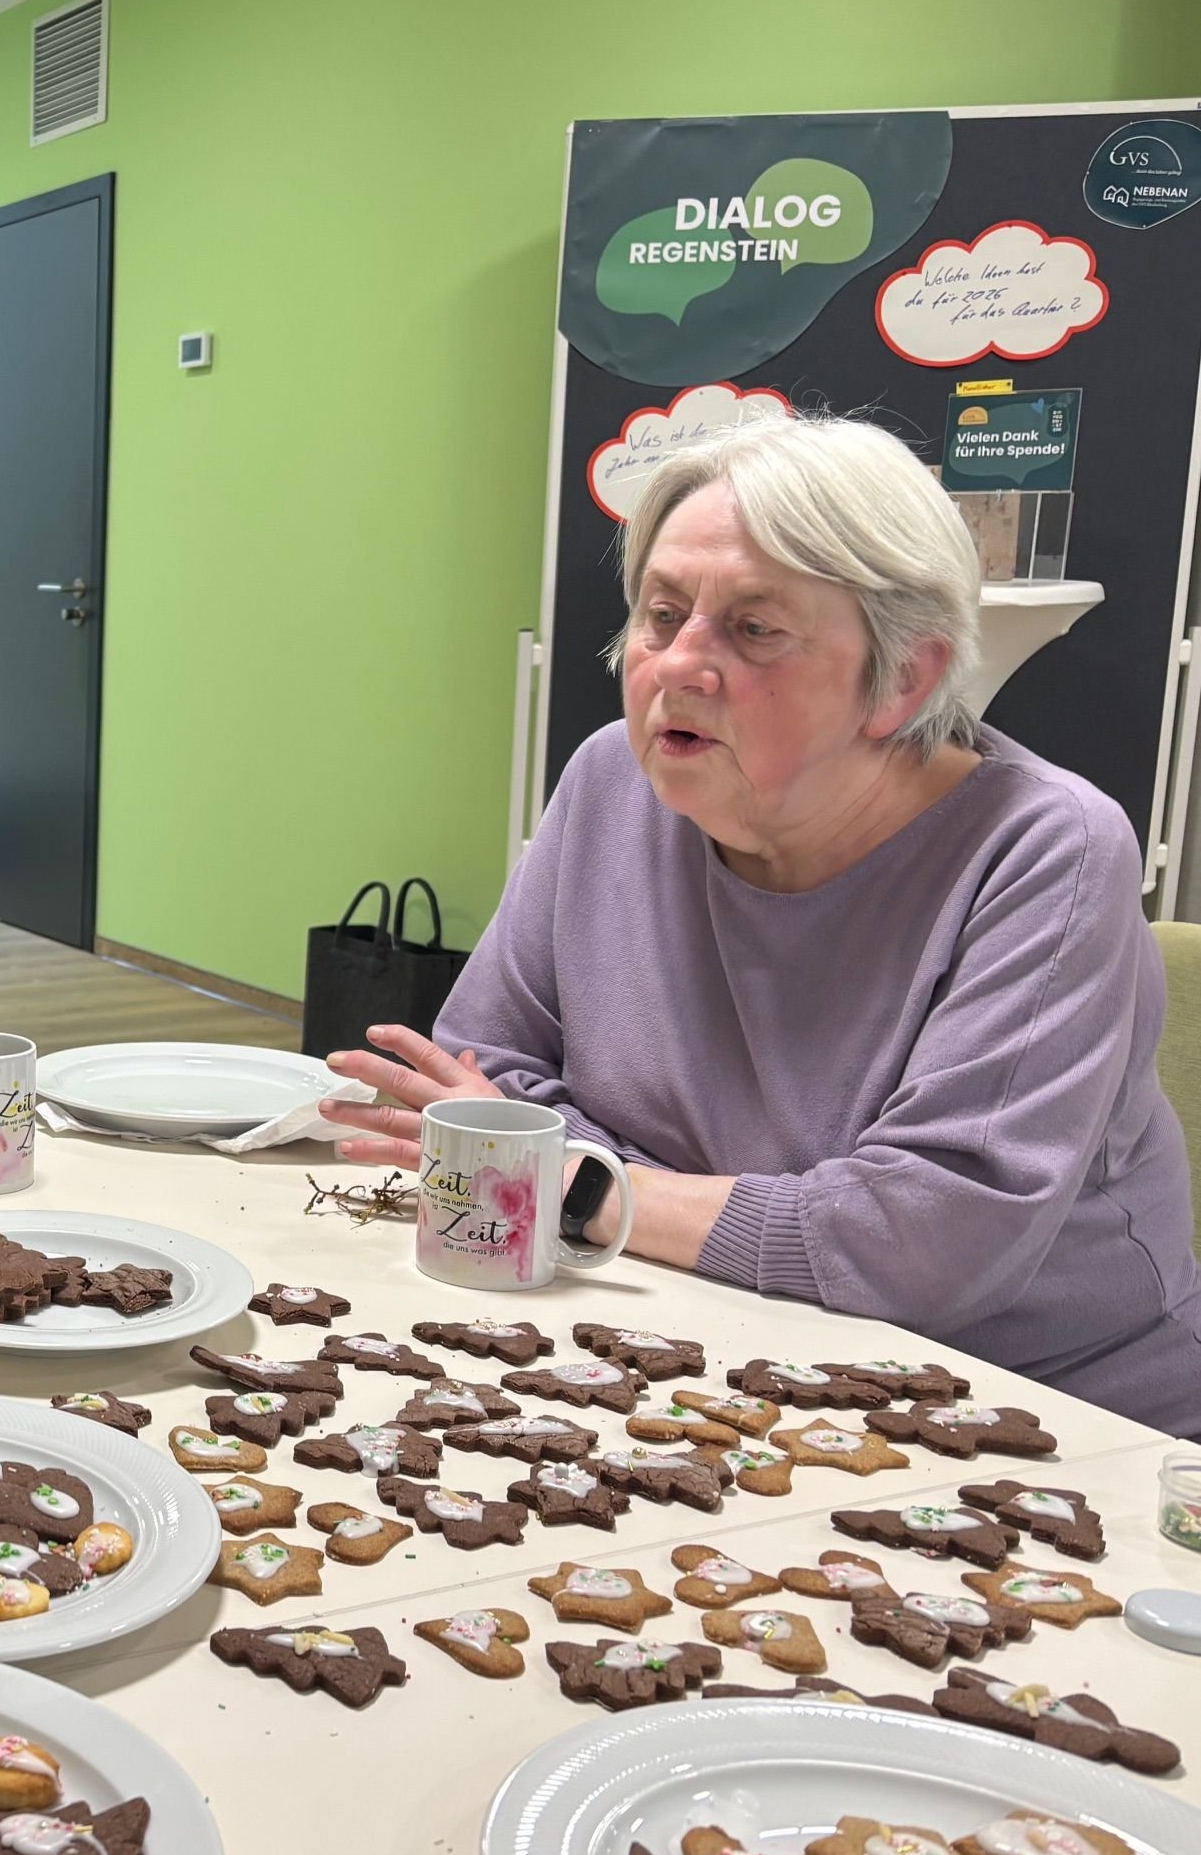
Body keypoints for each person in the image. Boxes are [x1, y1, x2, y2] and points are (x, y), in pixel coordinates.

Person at [320, 415, 1201, 1433]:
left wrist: (589, 1188)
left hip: (1033, 1418)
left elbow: (924, 1247)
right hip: (689, 1351)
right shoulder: (614, 779)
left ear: (904, 677)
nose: (678, 666)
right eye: (660, 615)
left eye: (754, 629)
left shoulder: (1047, 850)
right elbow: (478, 1084)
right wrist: (688, 1204)